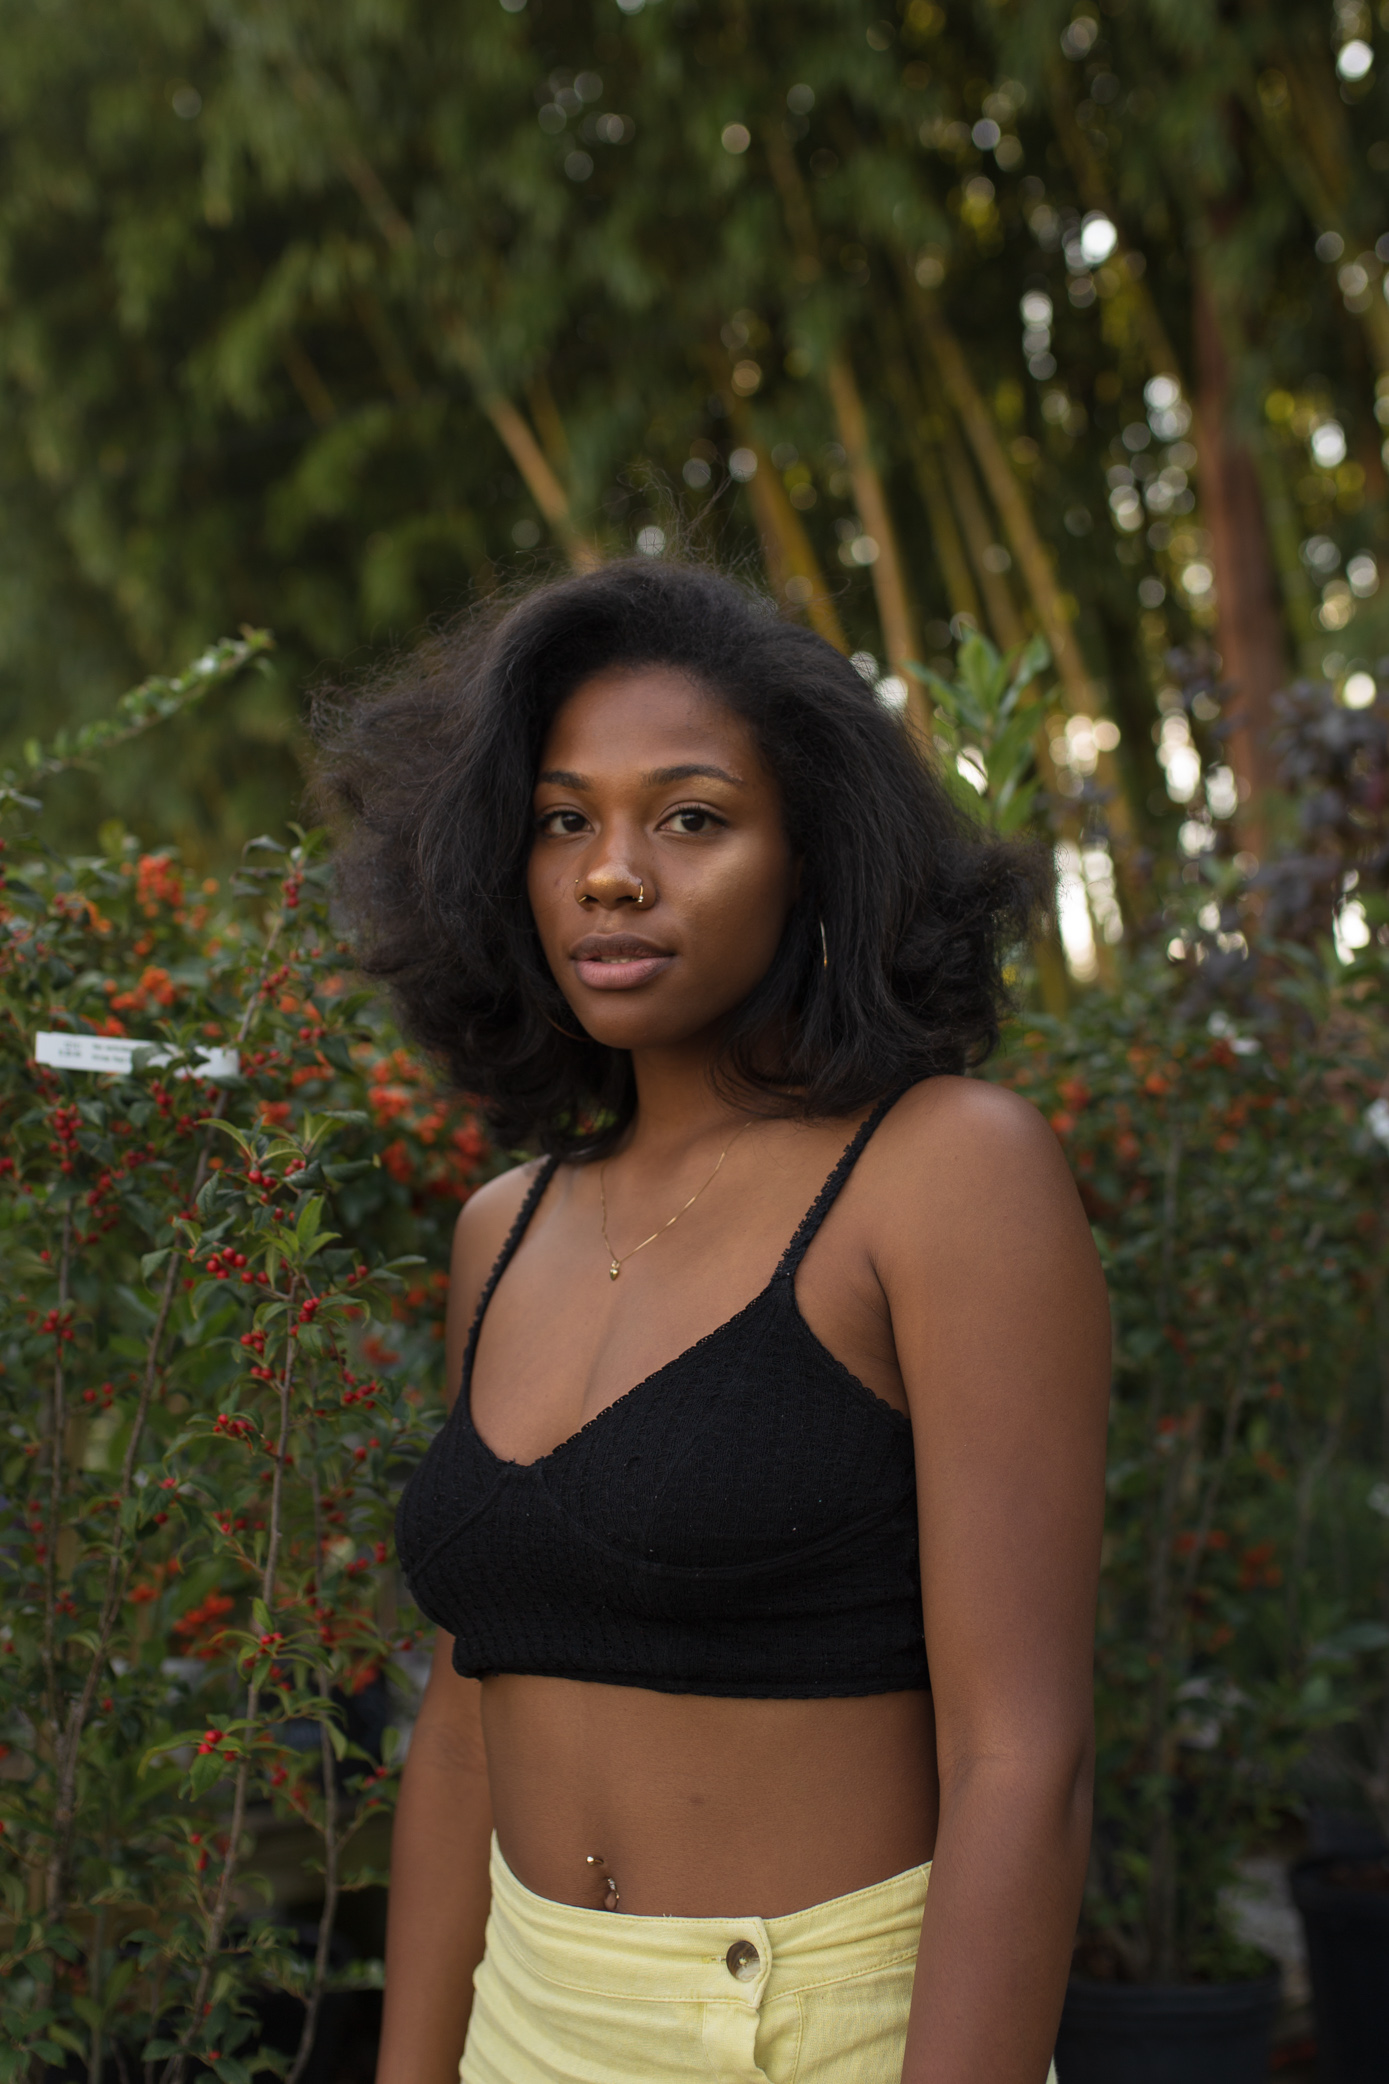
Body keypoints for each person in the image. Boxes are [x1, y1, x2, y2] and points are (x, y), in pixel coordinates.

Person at [316, 559, 1110, 2084]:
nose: (613, 873)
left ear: (810, 860)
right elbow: (469, 1725)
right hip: (526, 2019)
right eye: (565, 820)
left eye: (689, 817)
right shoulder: (506, 1228)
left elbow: (1023, 1761)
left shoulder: (944, 1173)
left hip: (819, 2031)